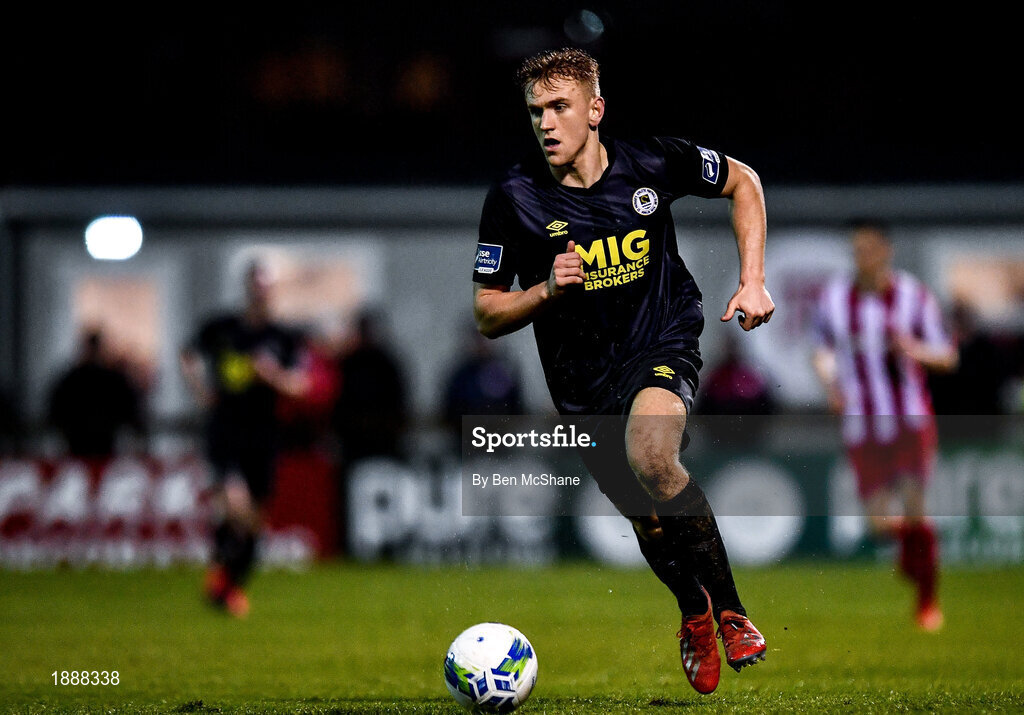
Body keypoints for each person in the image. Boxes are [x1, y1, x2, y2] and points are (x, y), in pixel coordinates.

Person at [472, 48, 774, 695]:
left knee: (652, 454)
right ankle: (693, 612)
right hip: (582, 382)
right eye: (535, 112)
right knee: (645, 513)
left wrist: (752, 280)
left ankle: (732, 611)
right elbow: (488, 313)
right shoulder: (515, 198)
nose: (546, 123)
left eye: (559, 107)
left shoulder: (652, 162)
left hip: (661, 338)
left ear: (595, 109)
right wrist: (544, 291)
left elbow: (742, 180)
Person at [811, 218, 958, 632]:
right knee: (878, 526)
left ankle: (928, 604)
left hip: (909, 420)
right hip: (862, 424)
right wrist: (830, 386)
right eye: (857, 250)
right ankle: (920, 548)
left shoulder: (913, 297)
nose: (863, 257)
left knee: (914, 507)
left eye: (870, 249)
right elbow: (820, 350)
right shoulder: (836, 299)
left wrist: (912, 349)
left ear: (886, 251)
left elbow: (947, 357)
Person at [180, 260, 309, 617]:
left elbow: (302, 386)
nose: (261, 294)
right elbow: (187, 355)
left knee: (254, 522)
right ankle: (222, 578)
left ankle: (227, 585)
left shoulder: (284, 337)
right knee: (233, 505)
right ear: (248, 288)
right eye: (257, 286)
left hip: (264, 432)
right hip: (226, 428)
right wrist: (201, 391)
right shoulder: (223, 328)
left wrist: (272, 376)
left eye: (267, 287)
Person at [47, 328, 146, 461]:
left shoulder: (72, 379)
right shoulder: (112, 379)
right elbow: (131, 409)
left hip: (79, 443)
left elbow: (54, 409)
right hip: (100, 444)